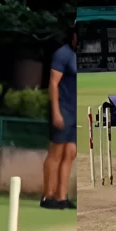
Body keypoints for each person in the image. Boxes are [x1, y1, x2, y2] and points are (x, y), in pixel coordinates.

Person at [42, 25, 78, 209]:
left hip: (75, 110)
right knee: (55, 152)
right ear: (74, 35)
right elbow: (53, 83)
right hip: (62, 109)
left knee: (70, 153)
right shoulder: (63, 54)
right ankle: (47, 196)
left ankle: (61, 196)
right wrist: (56, 111)